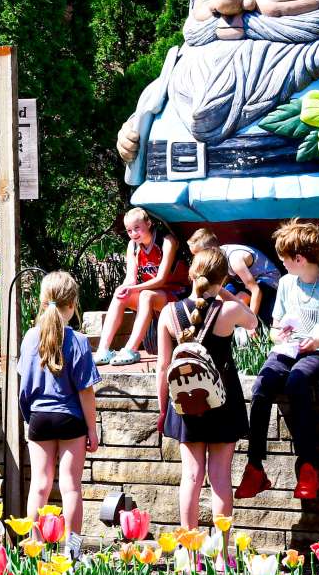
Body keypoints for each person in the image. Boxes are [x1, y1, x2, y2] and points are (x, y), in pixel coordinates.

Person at [235, 219, 319, 501]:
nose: (282, 263)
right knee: (262, 386)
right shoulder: (287, 283)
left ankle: (308, 466)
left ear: (299, 259)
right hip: (288, 349)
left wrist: (318, 341)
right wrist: (279, 334)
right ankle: (255, 467)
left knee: (297, 381)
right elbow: (274, 330)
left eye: (284, 259)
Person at [156, 248, 255, 550]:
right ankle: (222, 553)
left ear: (191, 274)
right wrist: (225, 291)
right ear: (222, 278)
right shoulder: (229, 310)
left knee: (191, 476)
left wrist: (163, 409)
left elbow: (162, 366)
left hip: (185, 402)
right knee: (220, 477)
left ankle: (190, 551)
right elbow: (253, 322)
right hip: (223, 401)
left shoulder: (169, 313)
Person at [16, 271, 98, 560]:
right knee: (70, 486)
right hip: (70, 419)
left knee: (39, 485)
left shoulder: (30, 338)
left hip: (39, 417)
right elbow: (86, 391)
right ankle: (71, 552)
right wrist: (92, 429)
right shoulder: (78, 341)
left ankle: (35, 548)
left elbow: (24, 386)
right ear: (72, 304)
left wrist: (30, 417)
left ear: (42, 301)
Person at [94, 208, 188, 366]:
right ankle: (103, 350)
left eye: (137, 228)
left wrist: (133, 289)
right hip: (151, 293)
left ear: (148, 223)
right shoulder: (133, 246)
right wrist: (124, 288)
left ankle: (130, 349)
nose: (133, 234)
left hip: (177, 294)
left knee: (145, 295)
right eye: (129, 230)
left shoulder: (167, 241)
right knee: (120, 295)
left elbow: (160, 279)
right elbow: (130, 279)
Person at [187, 228, 281, 327]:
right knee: (219, 299)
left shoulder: (235, 260)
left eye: (199, 255)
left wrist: (252, 324)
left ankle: (243, 327)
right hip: (243, 278)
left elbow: (256, 290)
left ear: (212, 249)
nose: (197, 259)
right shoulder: (218, 256)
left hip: (267, 278)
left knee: (240, 300)